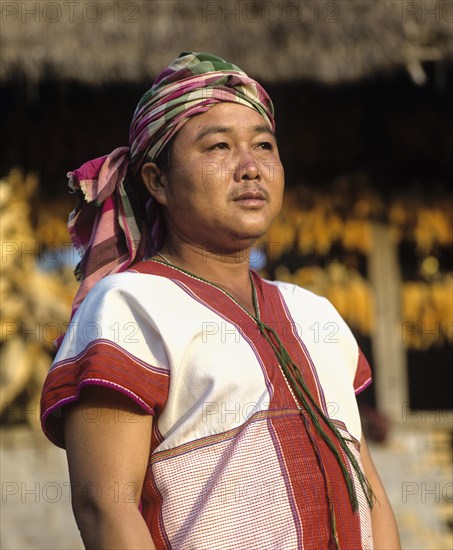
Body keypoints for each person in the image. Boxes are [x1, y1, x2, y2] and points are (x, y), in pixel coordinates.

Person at [40, 52, 400, 550]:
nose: (250, 168)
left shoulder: (314, 311)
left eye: (264, 145)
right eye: (219, 146)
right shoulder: (128, 305)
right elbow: (105, 505)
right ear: (157, 181)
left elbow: (368, 486)